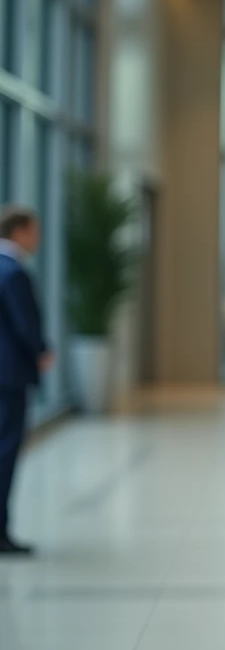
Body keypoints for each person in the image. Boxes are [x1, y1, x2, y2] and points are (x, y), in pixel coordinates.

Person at [0, 207, 52, 556]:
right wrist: (41, 351)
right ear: (18, 232)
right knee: (5, 452)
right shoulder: (14, 272)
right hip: (9, 378)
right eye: (34, 231)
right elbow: (24, 325)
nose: (38, 239)